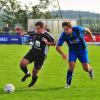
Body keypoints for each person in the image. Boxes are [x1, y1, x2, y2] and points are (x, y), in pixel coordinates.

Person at [56, 22, 94, 88]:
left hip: (82, 50)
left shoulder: (78, 29)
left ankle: (90, 70)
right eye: (64, 29)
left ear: (71, 28)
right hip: (72, 51)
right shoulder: (64, 35)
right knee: (71, 66)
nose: (65, 31)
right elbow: (57, 47)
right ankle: (68, 84)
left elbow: (87, 29)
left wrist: (91, 36)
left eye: (67, 29)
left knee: (85, 68)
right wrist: (63, 54)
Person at [20, 21, 56, 87]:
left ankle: (33, 80)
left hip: (41, 55)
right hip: (33, 52)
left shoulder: (47, 35)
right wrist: (23, 33)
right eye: (36, 28)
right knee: (22, 64)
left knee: (34, 72)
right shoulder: (35, 32)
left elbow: (54, 43)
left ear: (42, 28)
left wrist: (47, 43)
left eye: (38, 28)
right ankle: (27, 73)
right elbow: (29, 32)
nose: (36, 30)